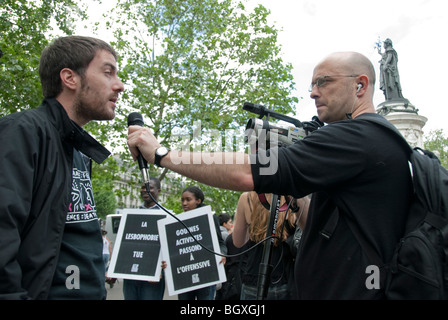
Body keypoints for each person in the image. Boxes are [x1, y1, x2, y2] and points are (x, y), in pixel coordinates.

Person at [127, 51, 413, 299]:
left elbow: (247, 172)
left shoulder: (357, 137)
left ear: (360, 85)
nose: (313, 92)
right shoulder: (372, 138)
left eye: (323, 81)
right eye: (311, 84)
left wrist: (163, 155)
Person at [0, 36, 124, 300]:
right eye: (108, 72)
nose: (119, 85)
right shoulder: (22, 132)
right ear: (70, 78)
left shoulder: (78, 148)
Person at [232, 192, 297, 300]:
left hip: (253, 278)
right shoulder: (293, 196)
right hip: (284, 278)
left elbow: (238, 242)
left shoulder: (247, 197)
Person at [178, 186, 227, 300]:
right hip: (185, 276)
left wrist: (221, 254)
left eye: (188, 199)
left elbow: (220, 243)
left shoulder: (209, 217)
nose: (184, 203)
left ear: (198, 201)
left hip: (206, 275)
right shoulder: (179, 220)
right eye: (182, 200)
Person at [123, 178, 167, 300]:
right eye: (143, 187)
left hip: (153, 277)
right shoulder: (131, 216)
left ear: (159, 191)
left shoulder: (167, 216)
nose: (145, 190)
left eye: (150, 187)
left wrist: (162, 267)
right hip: (131, 276)